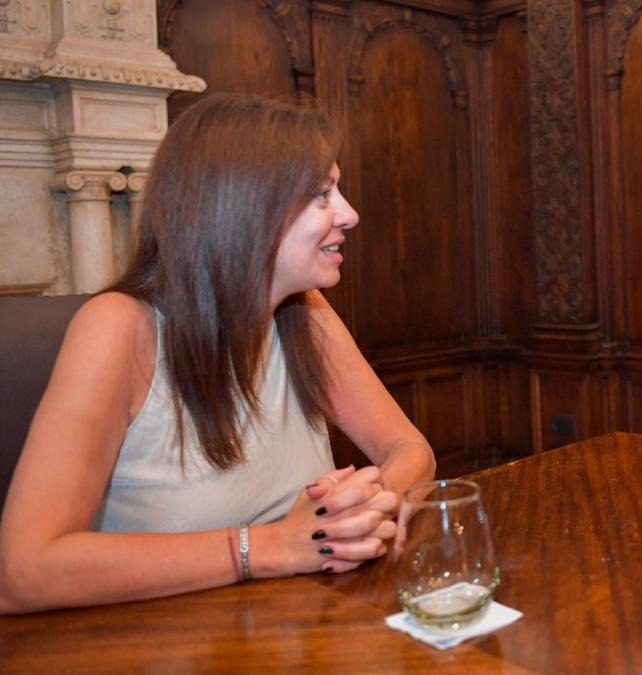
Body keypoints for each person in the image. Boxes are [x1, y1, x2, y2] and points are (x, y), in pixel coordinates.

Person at [0, 95, 436, 613]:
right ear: (244, 207)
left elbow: (411, 450)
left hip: (295, 629)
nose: (349, 214)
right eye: (322, 194)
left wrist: (361, 511)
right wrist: (270, 547)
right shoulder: (118, 328)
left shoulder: (307, 312)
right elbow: (25, 572)